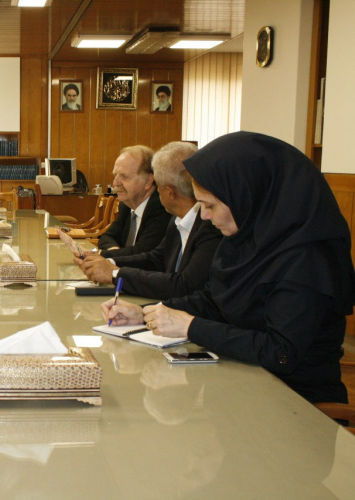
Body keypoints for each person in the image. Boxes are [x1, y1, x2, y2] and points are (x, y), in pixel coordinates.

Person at [101, 131, 355, 404]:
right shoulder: (246, 237)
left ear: (245, 196)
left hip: (296, 404)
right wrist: (147, 313)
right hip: (242, 390)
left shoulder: (306, 258)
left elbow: (280, 353)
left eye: (209, 205)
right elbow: (214, 299)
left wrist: (191, 327)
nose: (206, 217)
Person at [67, 142, 222, 299]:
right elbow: (156, 259)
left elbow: (185, 285)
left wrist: (115, 273)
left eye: (159, 187)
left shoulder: (210, 225)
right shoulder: (177, 218)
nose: (157, 192)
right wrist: (108, 261)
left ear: (169, 193)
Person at [97, 145, 172, 257]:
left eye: (124, 176)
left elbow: (141, 252)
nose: (115, 183)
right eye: (115, 175)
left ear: (148, 181)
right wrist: (114, 251)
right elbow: (107, 237)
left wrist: (106, 254)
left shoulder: (161, 207)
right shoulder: (127, 205)